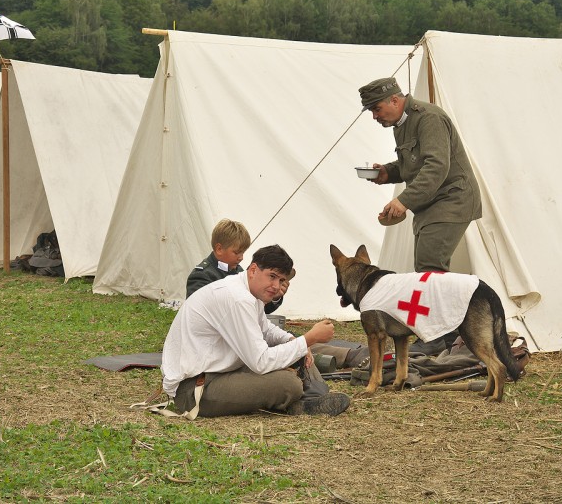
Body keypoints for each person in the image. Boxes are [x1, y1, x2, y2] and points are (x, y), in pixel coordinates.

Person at [358, 77, 483, 352]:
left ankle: (440, 338)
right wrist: (387, 172)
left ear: (394, 99)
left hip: (453, 198)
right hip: (432, 203)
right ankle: (442, 334)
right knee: (429, 268)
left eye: (377, 109)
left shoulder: (429, 118)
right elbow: (411, 165)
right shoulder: (400, 124)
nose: (375, 116)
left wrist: (403, 201)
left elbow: (437, 166)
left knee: (431, 268)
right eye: (371, 112)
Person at [162, 244, 351, 417]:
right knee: (288, 384)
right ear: (253, 270)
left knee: (294, 349)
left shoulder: (247, 291)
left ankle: (311, 397)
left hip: (219, 371)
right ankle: (303, 400)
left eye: (281, 280)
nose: (276, 286)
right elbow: (260, 361)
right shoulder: (238, 298)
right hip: (195, 388)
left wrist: (292, 340)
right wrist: (307, 340)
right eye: (272, 276)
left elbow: (265, 329)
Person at [186, 219, 290, 314]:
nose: (241, 258)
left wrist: (273, 296)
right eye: (237, 253)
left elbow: (257, 308)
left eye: (243, 252)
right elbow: (199, 311)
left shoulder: (239, 271)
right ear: (219, 249)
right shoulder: (202, 275)